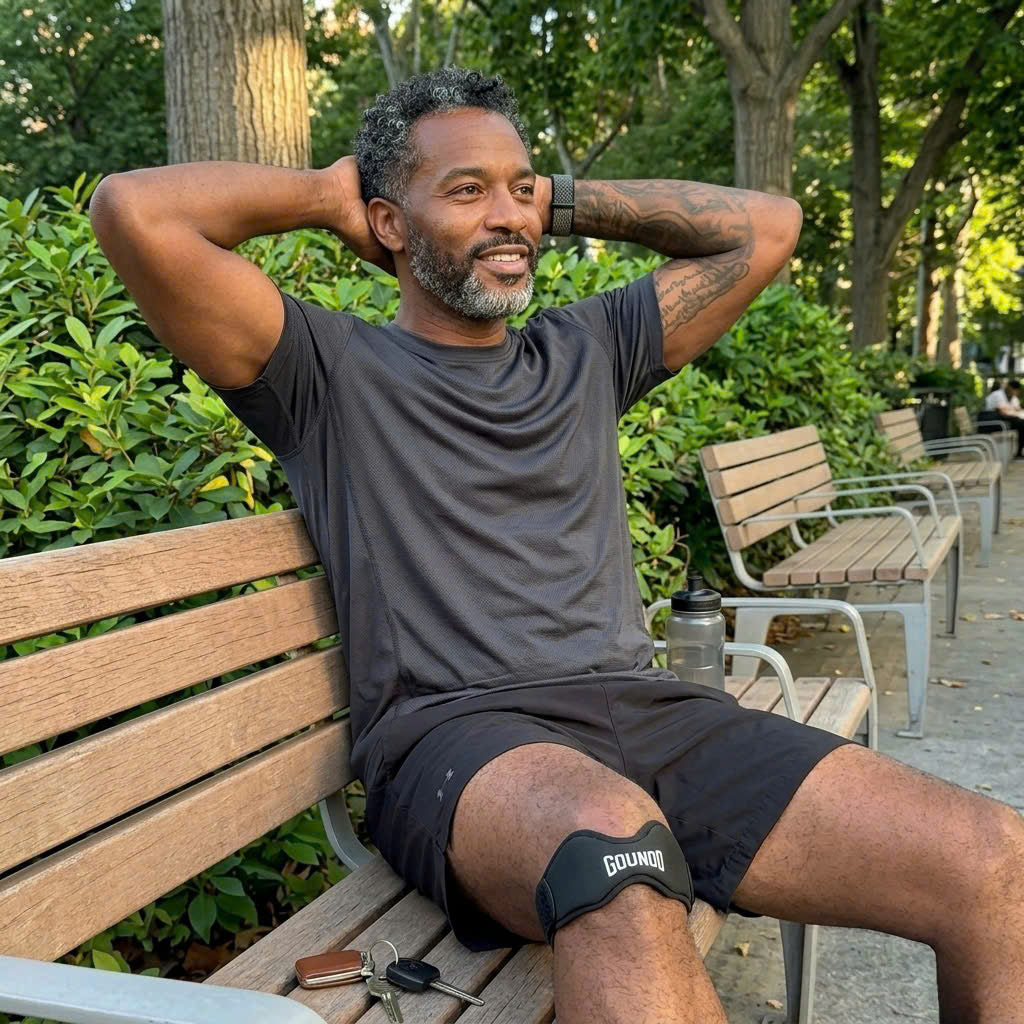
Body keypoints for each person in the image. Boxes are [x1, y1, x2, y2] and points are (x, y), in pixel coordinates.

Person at [88, 67, 1024, 1023]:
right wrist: (335, 196)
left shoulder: (589, 350)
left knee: (994, 858)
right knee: (615, 855)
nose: (508, 216)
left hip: (649, 715)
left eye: (520, 185)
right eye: (465, 190)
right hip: (459, 740)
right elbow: (135, 212)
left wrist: (553, 200)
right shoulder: (322, 371)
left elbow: (768, 226)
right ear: (389, 224)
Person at [979, 379, 1024, 457]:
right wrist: (1017, 413)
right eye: (1013, 390)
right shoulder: (998, 395)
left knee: (1021, 423)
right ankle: (1019, 451)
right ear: (1009, 387)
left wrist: (1017, 412)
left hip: (1003, 422)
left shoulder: (1013, 398)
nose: (1015, 392)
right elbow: (1004, 412)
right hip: (990, 422)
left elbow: (1017, 409)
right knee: (1021, 424)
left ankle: (1019, 451)